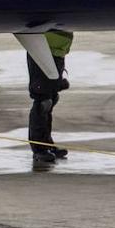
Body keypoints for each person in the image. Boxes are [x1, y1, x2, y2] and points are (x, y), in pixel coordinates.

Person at [28, 30, 72, 167]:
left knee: (51, 99)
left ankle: (46, 144)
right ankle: (39, 149)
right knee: (43, 102)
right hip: (42, 50)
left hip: (56, 52)